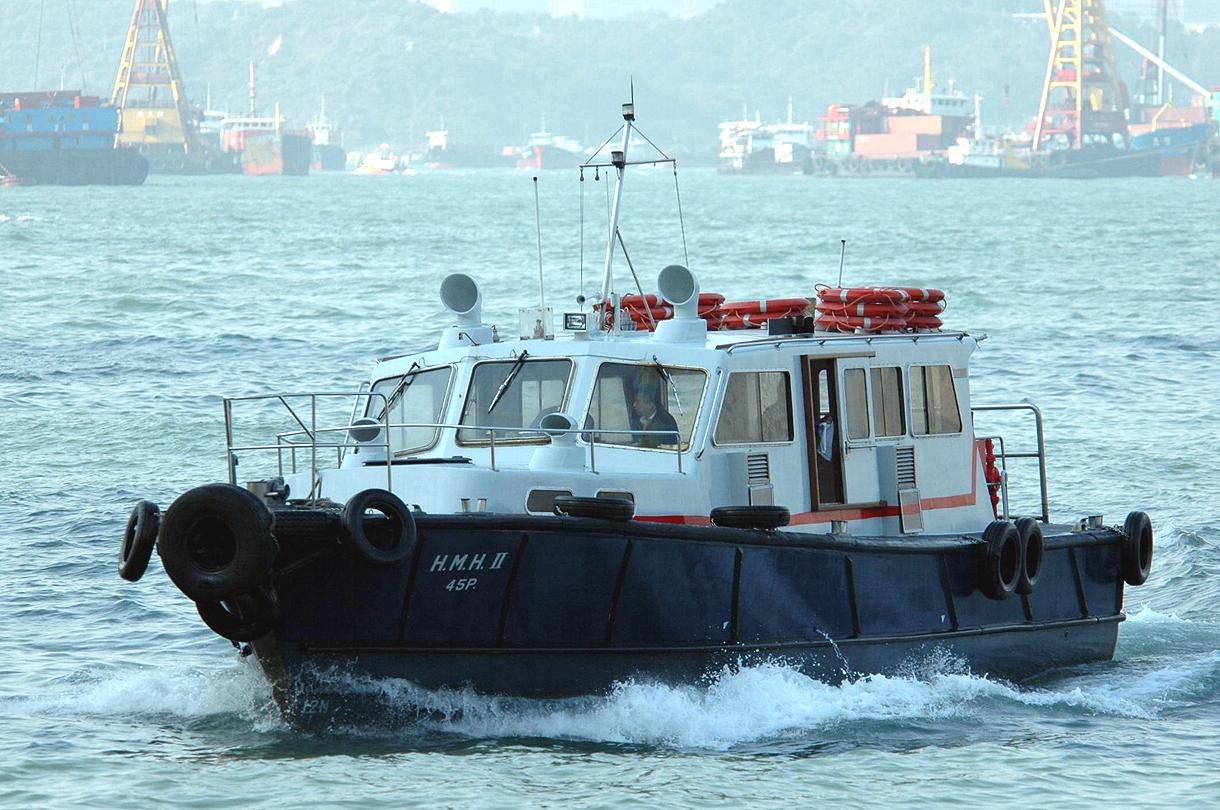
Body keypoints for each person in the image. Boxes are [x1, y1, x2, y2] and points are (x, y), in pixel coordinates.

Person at [630, 384, 679, 449]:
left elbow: (668, 446)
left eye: (637, 402)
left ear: (650, 405)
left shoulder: (666, 422)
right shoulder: (634, 422)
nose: (634, 405)